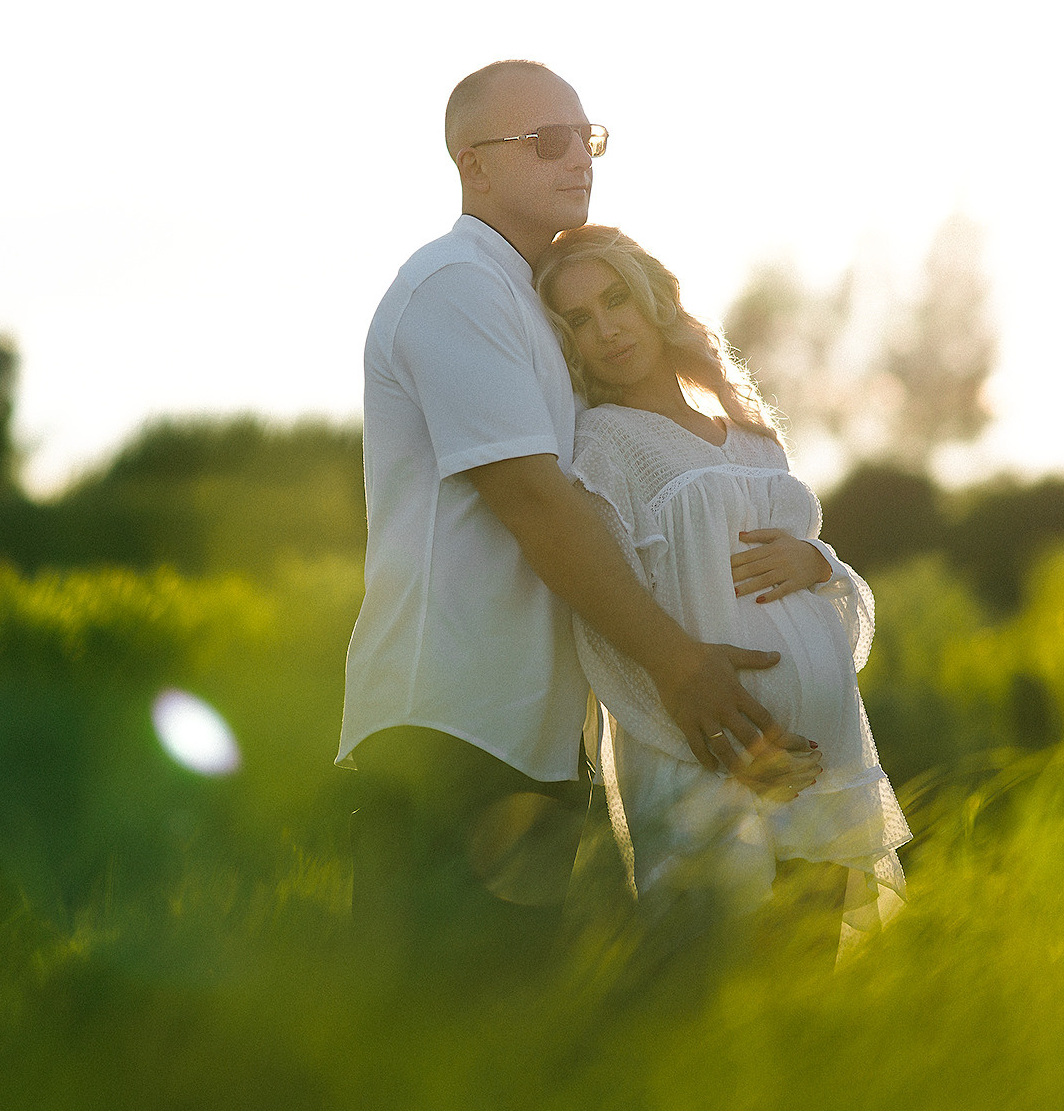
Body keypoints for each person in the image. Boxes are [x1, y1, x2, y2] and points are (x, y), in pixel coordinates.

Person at [338, 60, 815, 979]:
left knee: (511, 1044)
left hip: (534, 728)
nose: (579, 158)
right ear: (473, 165)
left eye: (586, 135)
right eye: (548, 140)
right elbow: (532, 501)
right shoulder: (455, 285)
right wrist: (683, 671)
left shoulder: (532, 298)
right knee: (433, 1042)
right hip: (453, 721)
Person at [535, 224, 912, 961]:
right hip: (716, 771)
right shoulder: (604, 445)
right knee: (727, 999)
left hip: (822, 767)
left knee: (813, 1001)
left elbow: (827, 596)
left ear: (655, 304)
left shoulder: (748, 431)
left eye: (617, 300)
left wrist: (818, 562)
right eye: (578, 320)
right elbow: (604, 623)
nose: (606, 329)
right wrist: (720, 745)